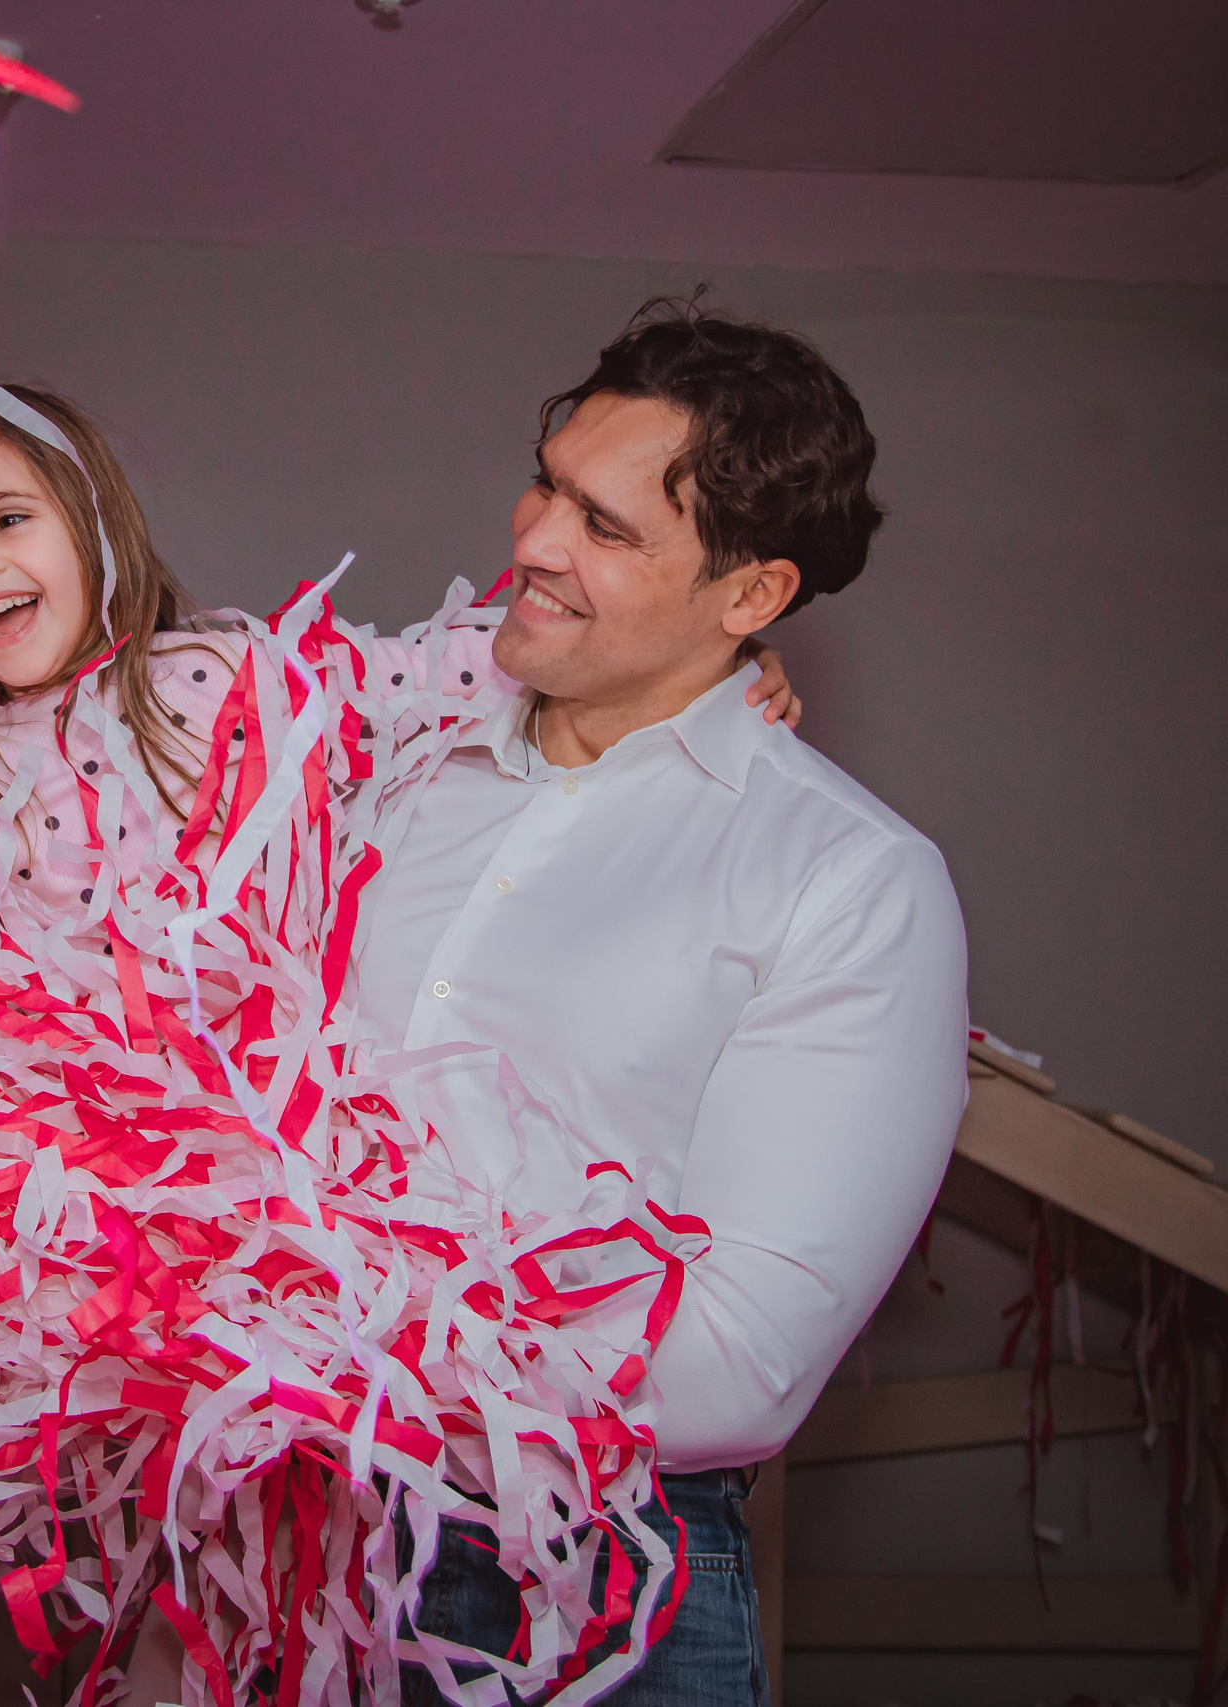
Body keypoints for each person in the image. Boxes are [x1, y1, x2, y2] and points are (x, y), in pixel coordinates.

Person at [0, 382, 804, 1706]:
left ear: (94, 526)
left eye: (8, 516)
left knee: (286, 1604)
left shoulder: (224, 684)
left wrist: (707, 668)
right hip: (97, 1300)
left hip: (296, 1256)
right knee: (176, 1617)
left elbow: (445, 667)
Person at [360, 300, 970, 1705]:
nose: (529, 542)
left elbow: (740, 1362)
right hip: (285, 1551)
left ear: (752, 600)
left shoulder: (846, 879)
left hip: (594, 1591)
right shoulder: (371, 768)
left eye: (609, 529)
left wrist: (342, 1360)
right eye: (548, 482)